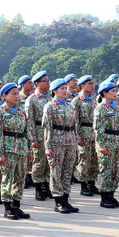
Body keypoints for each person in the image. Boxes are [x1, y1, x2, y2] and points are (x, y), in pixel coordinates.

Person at [0, 83, 31, 220]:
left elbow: (26, 132)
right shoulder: (0, 112)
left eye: (17, 93)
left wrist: (29, 150)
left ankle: (16, 205)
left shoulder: (21, 111)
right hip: (8, 150)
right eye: (13, 93)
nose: (16, 96)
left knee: (20, 178)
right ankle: (7, 208)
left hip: (21, 148)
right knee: (7, 178)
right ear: (5, 96)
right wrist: (0, 154)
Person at [42, 78, 79, 213]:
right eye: (62, 88)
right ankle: (58, 201)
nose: (65, 91)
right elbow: (47, 128)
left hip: (70, 141)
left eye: (65, 88)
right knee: (56, 172)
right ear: (55, 91)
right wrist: (48, 147)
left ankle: (66, 199)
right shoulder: (50, 106)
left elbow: (74, 126)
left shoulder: (70, 106)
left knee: (68, 171)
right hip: (56, 143)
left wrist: (75, 142)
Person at [93, 80, 119, 208]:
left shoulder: (115, 106)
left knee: (114, 170)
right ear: (105, 93)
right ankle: (104, 197)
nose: (115, 93)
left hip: (116, 141)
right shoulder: (101, 108)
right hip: (106, 142)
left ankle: (111, 195)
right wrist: (101, 145)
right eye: (112, 91)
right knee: (105, 170)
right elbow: (98, 128)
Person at [26, 71, 52, 201]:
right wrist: (33, 138)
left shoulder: (50, 98)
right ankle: (38, 188)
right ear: (37, 84)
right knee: (39, 162)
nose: (48, 83)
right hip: (38, 134)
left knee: (48, 162)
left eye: (48, 81)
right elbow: (29, 120)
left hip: (49, 135)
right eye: (45, 81)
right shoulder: (31, 100)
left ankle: (46, 186)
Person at [73, 75, 99, 197]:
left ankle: (91, 184)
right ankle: (83, 185)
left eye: (93, 83)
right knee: (84, 160)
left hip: (94, 133)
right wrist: (78, 137)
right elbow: (75, 121)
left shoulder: (94, 99)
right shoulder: (77, 101)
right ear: (82, 86)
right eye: (89, 84)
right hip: (83, 132)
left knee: (94, 160)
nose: (92, 86)